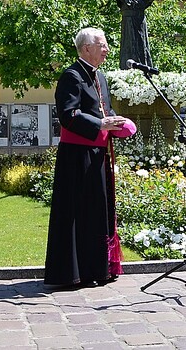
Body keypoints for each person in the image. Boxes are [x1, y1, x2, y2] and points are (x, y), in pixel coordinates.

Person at [44, 27, 135, 289]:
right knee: (78, 213)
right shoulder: (71, 76)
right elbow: (69, 115)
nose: (107, 50)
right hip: (76, 157)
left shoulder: (100, 76)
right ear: (87, 48)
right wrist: (101, 123)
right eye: (103, 45)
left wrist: (117, 121)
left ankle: (98, 268)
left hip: (98, 154)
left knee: (97, 212)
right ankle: (75, 273)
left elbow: (103, 109)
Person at [116, 0, 158, 69]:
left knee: (142, 46)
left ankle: (144, 67)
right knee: (128, 46)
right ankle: (127, 68)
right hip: (128, 23)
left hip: (140, 24)